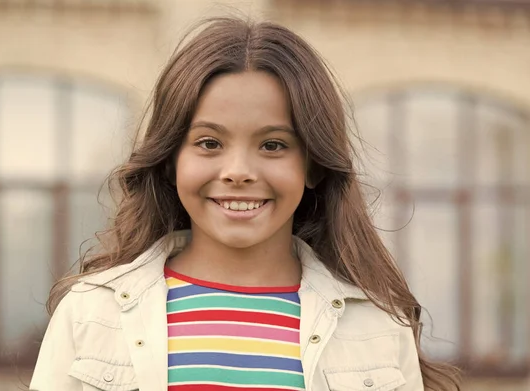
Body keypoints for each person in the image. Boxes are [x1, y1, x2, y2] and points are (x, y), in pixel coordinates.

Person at [29, 17, 461, 391]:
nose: (238, 171)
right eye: (209, 143)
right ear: (171, 160)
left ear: (313, 165)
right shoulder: (90, 314)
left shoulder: (379, 329)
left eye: (273, 145)